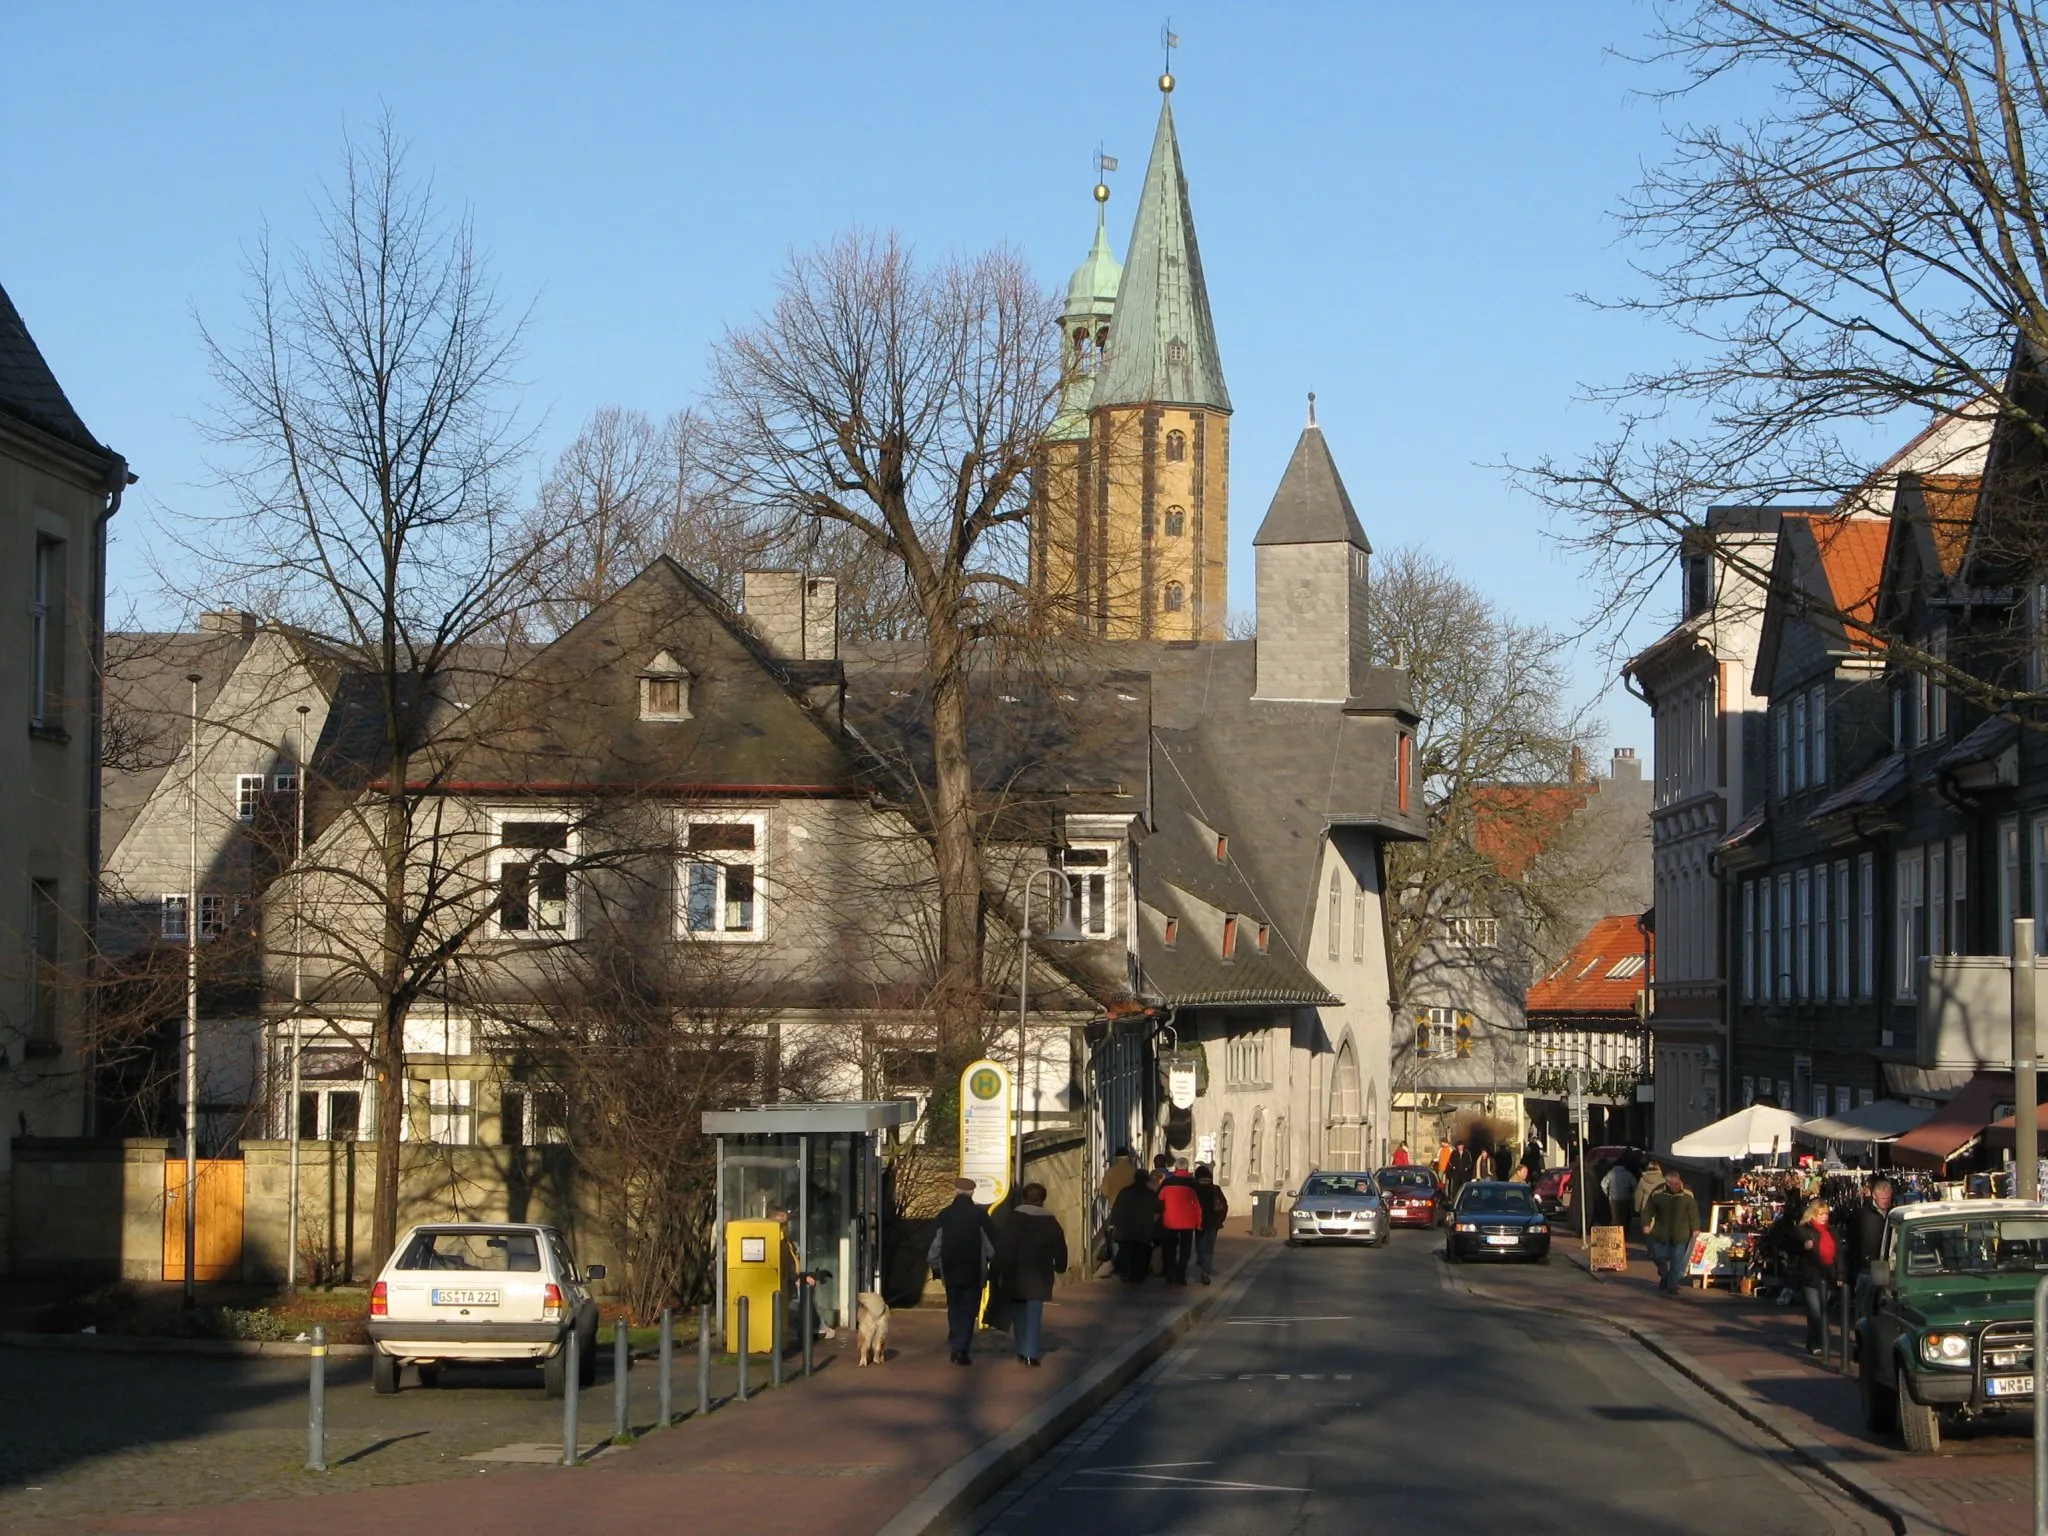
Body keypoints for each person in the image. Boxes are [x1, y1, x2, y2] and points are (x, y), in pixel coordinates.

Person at [994, 1182, 1067, 1367]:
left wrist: (994, 1271)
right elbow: (1059, 1246)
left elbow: (1002, 1247)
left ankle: (1021, 1349)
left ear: (1024, 1197)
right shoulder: (1050, 1221)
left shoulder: (1013, 1219)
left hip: (1015, 1274)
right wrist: (1060, 1266)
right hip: (1039, 1275)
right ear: (1043, 1199)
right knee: (1034, 1313)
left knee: (1019, 1313)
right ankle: (1030, 1354)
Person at [928, 1177, 996, 1365]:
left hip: (950, 1271)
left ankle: (956, 1342)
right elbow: (991, 1248)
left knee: (954, 1308)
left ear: (955, 1191)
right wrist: (992, 1264)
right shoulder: (980, 1216)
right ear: (972, 1193)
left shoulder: (944, 1215)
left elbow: (935, 1246)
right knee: (969, 1311)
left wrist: (935, 1268)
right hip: (974, 1271)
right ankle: (961, 1348)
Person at [1644, 1168, 1701, 1296]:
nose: (1677, 1186)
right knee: (1656, 1255)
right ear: (1667, 1183)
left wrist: (1696, 1227)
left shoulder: (1687, 1194)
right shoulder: (1658, 1193)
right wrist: (1646, 1224)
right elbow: (1648, 1209)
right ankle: (1665, 1275)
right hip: (1661, 1232)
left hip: (1680, 1233)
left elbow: (1694, 1212)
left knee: (1677, 1262)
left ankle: (1671, 1285)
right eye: (1674, 1184)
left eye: (1678, 1182)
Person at [1795, 1201, 1840, 1356]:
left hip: (1827, 1275)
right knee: (1815, 1311)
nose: (1823, 1217)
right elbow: (1794, 1246)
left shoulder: (1832, 1232)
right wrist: (1804, 1246)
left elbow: (1838, 1255)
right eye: (1820, 1214)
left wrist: (1840, 1274)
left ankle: (1816, 1341)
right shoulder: (1804, 1230)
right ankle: (1816, 1343)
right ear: (1813, 1214)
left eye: (1826, 1214)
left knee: (1824, 1310)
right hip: (1811, 1276)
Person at [1110, 1170, 1162, 1283]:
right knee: (1141, 1252)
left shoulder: (1125, 1192)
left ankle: (1125, 1272)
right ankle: (1138, 1275)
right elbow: (1159, 1209)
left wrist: (1114, 1223)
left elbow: (1117, 1209)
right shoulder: (1150, 1194)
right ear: (1146, 1179)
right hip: (1143, 1229)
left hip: (1125, 1228)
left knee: (1125, 1251)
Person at [1159, 1159, 1203, 1285]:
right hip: (1188, 1222)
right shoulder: (1193, 1184)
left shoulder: (1167, 1183)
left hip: (1169, 1221)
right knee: (1185, 1249)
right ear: (1187, 1168)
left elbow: (1159, 1200)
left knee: (1170, 1249)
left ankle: (1171, 1273)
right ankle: (1181, 1274)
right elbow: (1197, 1206)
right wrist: (1199, 1223)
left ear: (1176, 1168)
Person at [1193, 1164, 1229, 1284]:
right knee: (1210, 1248)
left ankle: (1201, 1262)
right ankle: (1206, 1271)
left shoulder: (1195, 1188)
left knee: (1201, 1245)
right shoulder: (1215, 1189)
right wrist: (1220, 1220)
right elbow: (1224, 1205)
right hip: (1213, 1223)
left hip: (1199, 1222)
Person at [1602, 1158, 1638, 1237]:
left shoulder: (1610, 1173)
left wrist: (1607, 1193)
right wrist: (1632, 1194)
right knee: (1624, 1216)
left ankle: (1615, 1234)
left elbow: (1603, 1184)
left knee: (1615, 1217)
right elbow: (1634, 1184)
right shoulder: (1628, 1174)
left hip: (1613, 1198)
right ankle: (1623, 1233)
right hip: (1625, 1198)